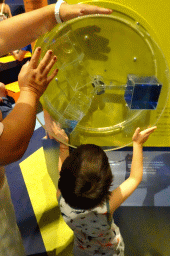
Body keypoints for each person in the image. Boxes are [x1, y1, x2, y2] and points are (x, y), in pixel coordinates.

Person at [0, 2, 112, 255]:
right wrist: (30, 92)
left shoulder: (66, 209)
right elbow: (8, 147)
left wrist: (56, 13)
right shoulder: (105, 211)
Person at [57, 126, 157, 255]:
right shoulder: (107, 205)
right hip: (109, 251)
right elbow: (134, 178)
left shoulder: (60, 196)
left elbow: (62, 174)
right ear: (109, 181)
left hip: (82, 249)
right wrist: (137, 144)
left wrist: (63, 146)